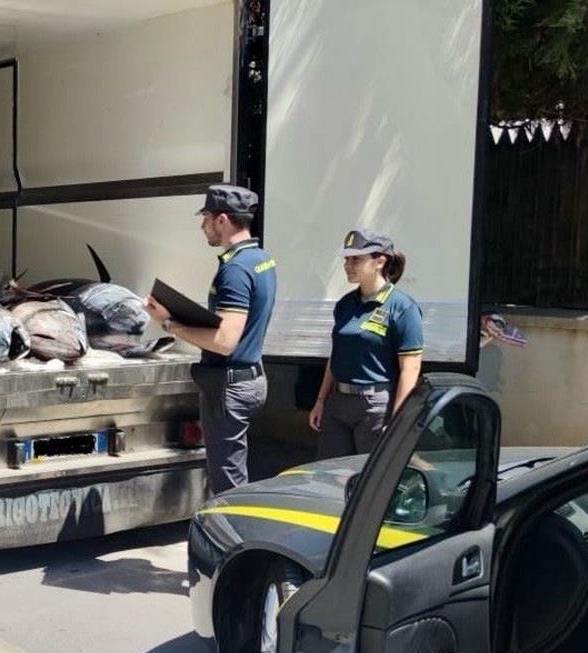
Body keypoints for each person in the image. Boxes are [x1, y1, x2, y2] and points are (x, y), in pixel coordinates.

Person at [144, 184, 277, 495]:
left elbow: (224, 341)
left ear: (222, 220)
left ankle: (230, 527)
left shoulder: (236, 269)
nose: (201, 225)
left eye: (205, 217)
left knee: (228, 484)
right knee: (235, 471)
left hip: (229, 387)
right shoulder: (261, 259)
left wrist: (169, 323)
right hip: (250, 377)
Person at [309, 229, 423, 459]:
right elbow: (336, 355)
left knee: (370, 474)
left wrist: (397, 420)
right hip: (338, 402)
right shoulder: (345, 304)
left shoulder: (402, 307)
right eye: (346, 259)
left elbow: (410, 369)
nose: (347, 265)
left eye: (355, 259)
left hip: (376, 406)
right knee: (331, 471)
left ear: (379, 261)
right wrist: (321, 400)